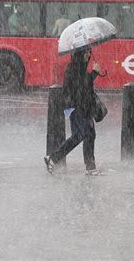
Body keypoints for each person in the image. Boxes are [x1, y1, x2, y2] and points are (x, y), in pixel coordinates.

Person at [44, 46, 102, 176]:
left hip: (84, 106)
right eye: (87, 52)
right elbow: (81, 87)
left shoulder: (80, 67)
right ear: (80, 53)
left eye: (89, 52)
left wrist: (92, 74)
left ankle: (89, 167)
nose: (88, 55)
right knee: (82, 134)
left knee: (87, 134)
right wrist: (93, 73)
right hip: (76, 107)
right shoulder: (73, 68)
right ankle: (54, 158)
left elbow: (84, 87)